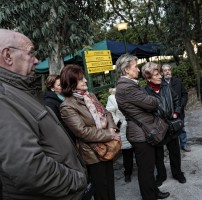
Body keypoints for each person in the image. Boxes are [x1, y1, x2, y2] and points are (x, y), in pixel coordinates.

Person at [0, 29, 87, 199]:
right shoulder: (4, 98)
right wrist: (77, 180)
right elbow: (28, 169)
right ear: (8, 56)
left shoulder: (20, 92)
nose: (37, 61)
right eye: (31, 53)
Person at [60, 64, 120, 200]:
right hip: (92, 153)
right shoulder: (67, 106)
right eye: (81, 79)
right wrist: (109, 134)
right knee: (101, 189)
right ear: (71, 83)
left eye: (84, 78)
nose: (85, 81)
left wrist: (111, 127)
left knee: (110, 184)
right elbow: (82, 132)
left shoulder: (90, 95)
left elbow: (106, 113)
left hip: (107, 147)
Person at [115, 54, 170, 200]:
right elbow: (151, 103)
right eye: (135, 66)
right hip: (140, 134)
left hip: (142, 131)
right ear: (126, 69)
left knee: (149, 167)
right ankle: (149, 196)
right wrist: (153, 100)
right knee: (146, 170)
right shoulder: (127, 87)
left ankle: (153, 192)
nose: (138, 70)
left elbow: (145, 102)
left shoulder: (129, 85)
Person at [142, 62, 187, 187]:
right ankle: (161, 175)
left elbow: (177, 100)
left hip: (171, 125)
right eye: (156, 74)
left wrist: (177, 112)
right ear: (148, 77)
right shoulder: (144, 92)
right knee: (158, 155)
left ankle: (177, 173)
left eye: (160, 73)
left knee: (175, 152)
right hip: (157, 128)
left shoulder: (166, 87)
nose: (160, 76)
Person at [106, 87, 134, 183]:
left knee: (139, 151)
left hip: (136, 127)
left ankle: (143, 170)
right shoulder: (112, 97)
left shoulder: (132, 93)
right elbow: (109, 112)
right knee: (127, 154)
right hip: (123, 128)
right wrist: (118, 123)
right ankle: (128, 173)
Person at [161, 64, 191, 152]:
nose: (167, 72)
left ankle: (184, 144)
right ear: (162, 73)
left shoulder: (177, 81)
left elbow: (184, 94)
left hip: (179, 110)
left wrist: (181, 106)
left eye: (168, 70)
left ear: (171, 71)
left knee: (181, 128)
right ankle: (172, 147)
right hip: (167, 112)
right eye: (165, 70)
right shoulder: (160, 83)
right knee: (169, 130)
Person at [44, 75, 76, 142]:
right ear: (52, 88)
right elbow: (57, 124)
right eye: (59, 85)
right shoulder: (49, 103)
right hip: (67, 138)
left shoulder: (63, 97)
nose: (63, 86)